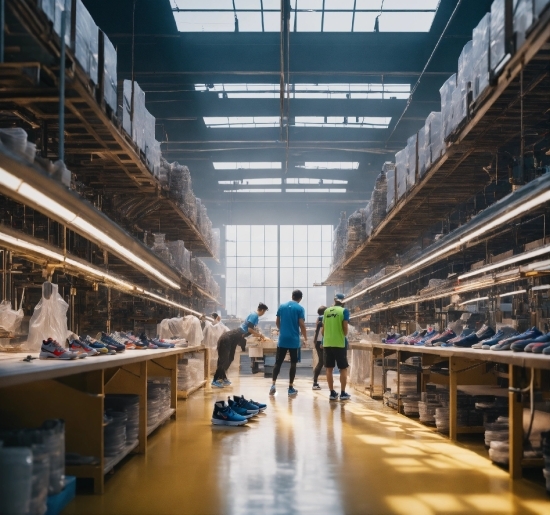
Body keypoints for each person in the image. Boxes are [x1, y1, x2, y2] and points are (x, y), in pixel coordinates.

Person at [212, 303, 268, 388]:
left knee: (230, 358)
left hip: (233, 338)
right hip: (227, 338)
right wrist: (260, 335)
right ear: (262, 310)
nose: (264, 313)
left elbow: (247, 332)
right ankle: (215, 379)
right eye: (264, 312)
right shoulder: (254, 315)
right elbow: (249, 329)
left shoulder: (253, 315)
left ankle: (223, 377)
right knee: (223, 360)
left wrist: (257, 334)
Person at [270, 290, 307, 397]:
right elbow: (302, 325)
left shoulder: (282, 306)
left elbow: (277, 321)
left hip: (282, 340)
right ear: (300, 298)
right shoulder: (300, 308)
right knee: (293, 363)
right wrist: (305, 338)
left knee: (278, 362)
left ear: (292, 296)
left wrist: (282, 330)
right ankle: (290, 388)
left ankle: (273, 385)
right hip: (294, 340)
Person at [322, 293, 351, 401]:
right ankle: (343, 393)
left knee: (329, 369)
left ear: (334, 300)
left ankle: (332, 393)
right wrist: (343, 335)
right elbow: (345, 326)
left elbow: (323, 330)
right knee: (343, 368)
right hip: (339, 343)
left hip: (327, 343)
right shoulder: (344, 311)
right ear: (343, 301)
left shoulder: (326, 311)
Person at [312, 306, 326, 390]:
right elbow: (319, 331)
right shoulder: (321, 319)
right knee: (321, 362)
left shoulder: (319, 319)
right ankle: (315, 382)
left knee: (322, 362)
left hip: (319, 342)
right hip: (321, 342)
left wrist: (314, 341)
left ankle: (315, 382)